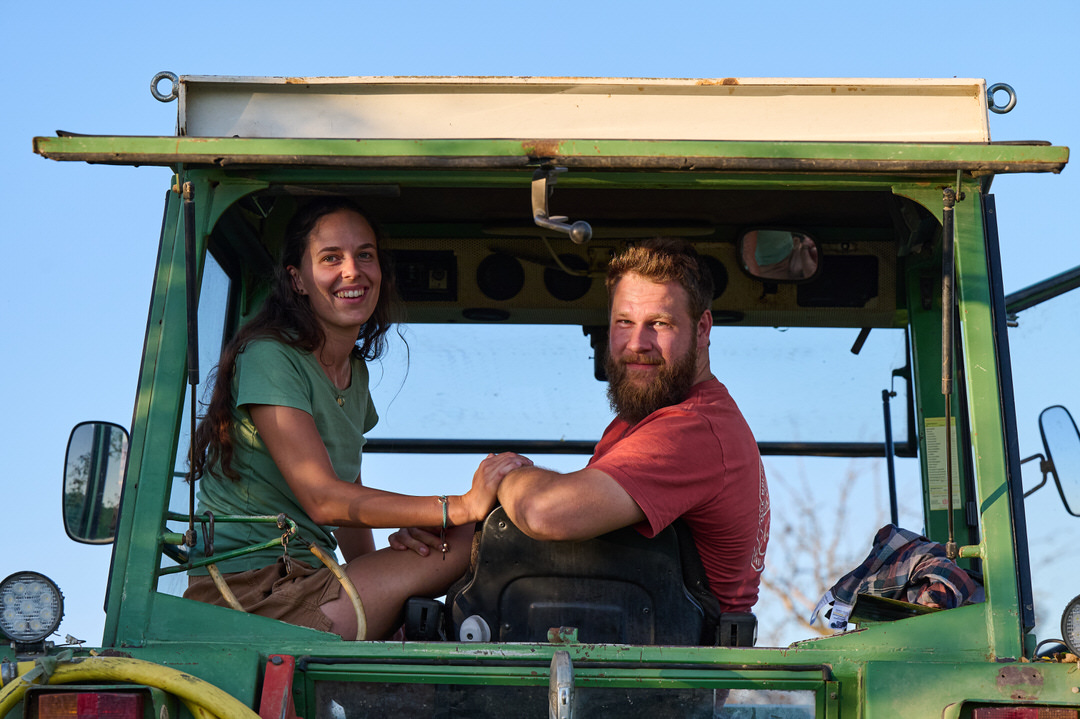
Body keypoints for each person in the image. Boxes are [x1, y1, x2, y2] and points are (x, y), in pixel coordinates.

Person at [184, 199, 529, 640]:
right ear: (298, 279)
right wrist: (454, 506)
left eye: (365, 255)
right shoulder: (270, 357)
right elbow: (324, 500)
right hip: (252, 599)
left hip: (314, 579)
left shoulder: (354, 371)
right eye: (331, 258)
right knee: (465, 526)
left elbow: (350, 496)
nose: (353, 271)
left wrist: (373, 572)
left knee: (475, 534)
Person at [481, 238, 769, 613]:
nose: (637, 343)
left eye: (659, 324)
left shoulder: (692, 430)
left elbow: (544, 511)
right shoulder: (639, 423)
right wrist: (454, 523)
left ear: (702, 329)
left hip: (684, 661)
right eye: (624, 322)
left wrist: (502, 476)